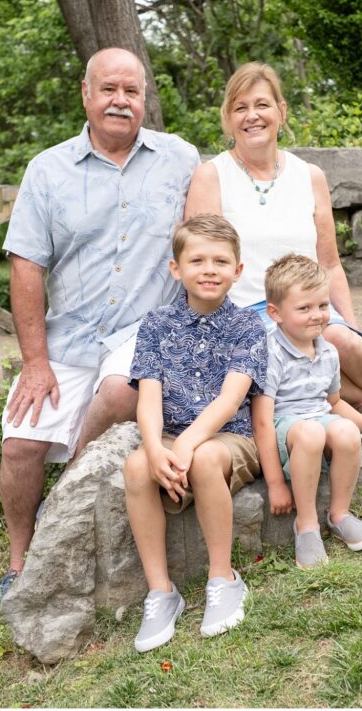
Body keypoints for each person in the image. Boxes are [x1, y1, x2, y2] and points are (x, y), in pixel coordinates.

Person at [0, 48, 200, 605]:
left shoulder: (180, 159)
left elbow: (208, 238)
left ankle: (61, 501)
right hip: (69, 335)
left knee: (118, 390)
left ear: (145, 99)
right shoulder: (48, 169)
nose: (120, 101)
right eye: (109, 89)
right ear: (86, 95)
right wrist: (35, 362)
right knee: (19, 443)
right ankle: (20, 560)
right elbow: (26, 267)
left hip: (144, 329)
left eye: (132, 91)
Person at [183, 62, 362, 438]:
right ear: (229, 120)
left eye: (262, 105)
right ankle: (361, 402)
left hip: (310, 305)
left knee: (338, 338)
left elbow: (329, 264)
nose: (252, 116)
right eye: (240, 107)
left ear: (282, 111)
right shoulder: (211, 176)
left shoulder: (309, 176)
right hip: (246, 313)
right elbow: (199, 266)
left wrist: (356, 332)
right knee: (286, 352)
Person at [124, 215, 267, 651]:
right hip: (170, 434)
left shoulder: (248, 326)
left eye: (221, 261)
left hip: (230, 438)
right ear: (176, 268)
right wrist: (154, 449)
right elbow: (148, 396)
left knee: (204, 458)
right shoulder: (155, 325)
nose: (209, 269)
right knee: (134, 467)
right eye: (197, 260)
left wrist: (187, 445)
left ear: (238, 271)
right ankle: (162, 592)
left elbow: (230, 399)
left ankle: (223, 579)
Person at [252, 254, 362, 568]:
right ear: (275, 313)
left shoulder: (328, 351)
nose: (317, 316)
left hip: (318, 416)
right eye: (304, 308)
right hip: (285, 425)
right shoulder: (270, 352)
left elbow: (334, 404)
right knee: (312, 432)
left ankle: (339, 514)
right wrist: (275, 483)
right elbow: (262, 420)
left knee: (345, 430)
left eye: (322, 305)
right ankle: (306, 525)